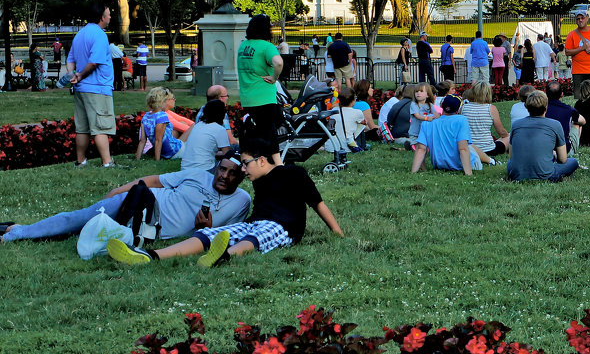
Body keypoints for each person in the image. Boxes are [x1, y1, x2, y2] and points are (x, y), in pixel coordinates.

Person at [107, 138, 343, 267]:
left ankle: (223, 258)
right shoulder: (258, 183)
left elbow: (317, 203)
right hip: (256, 222)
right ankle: (151, 256)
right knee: (213, 234)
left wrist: (337, 232)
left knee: (259, 236)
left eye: (245, 163)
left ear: (261, 161)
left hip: (284, 227)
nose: (242, 169)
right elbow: (257, 215)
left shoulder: (293, 173)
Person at [2, 152, 251, 245]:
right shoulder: (198, 175)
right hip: (139, 202)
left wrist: (206, 230)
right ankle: (16, 233)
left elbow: (228, 233)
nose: (223, 175)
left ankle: (15, 228)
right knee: (79, 219)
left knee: (85, 232)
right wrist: (116, 193)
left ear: (241, 178)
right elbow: (152, 181)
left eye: (231, 173)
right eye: (221, 169)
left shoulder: (241, 201)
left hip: (152, 230)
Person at [68, 2, 116, 168]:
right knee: (100, 127)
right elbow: (94, 62)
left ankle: (80, 161)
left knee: (82, 128)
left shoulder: (79, 35)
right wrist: (80, 75)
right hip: (97, 88)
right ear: (102, 17)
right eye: (108, 14)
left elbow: (70, 60)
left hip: (81, 89)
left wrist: (72, 76)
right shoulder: (100, 35)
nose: (110, 16)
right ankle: (107, 162)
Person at [236, 14, 284, 164]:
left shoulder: (244, 45)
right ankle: (277, 163)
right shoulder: (266, 46)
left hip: (247, 97)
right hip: (264, 97)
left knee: (256, 130)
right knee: (270, 131)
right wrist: (274, 77)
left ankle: (254, 159)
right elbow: (278, 62)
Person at [506, 89, 579, 182]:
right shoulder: (555, 124)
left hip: (517, 174)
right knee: (573, 162)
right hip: (547, 175)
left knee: (509, 163)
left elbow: (512, 156)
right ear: (546, 107)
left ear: (526, 106)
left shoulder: (516, 124)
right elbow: (563, 159)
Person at [411, 94, 479, 174]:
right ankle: (491, 161)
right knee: (470, 147)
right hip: (461, 165)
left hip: (440, 165)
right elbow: (463, 149)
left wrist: (414, 172)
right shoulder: (461, 120)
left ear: (441, 105)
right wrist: (469, 174)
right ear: (459, 109)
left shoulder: (428, 120)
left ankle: (491, 160)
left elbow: (420, 149)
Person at [462, 80, 509, 165]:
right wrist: (507, 135)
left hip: (470, 148)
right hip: (488, 149)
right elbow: (501, 132)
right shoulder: (491, 108)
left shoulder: (463, 108)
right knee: (509, 136)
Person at [179, 99, 233, 172]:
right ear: (222, 114)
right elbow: (227, 154)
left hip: (184, 169)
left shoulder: (197, 125)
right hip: (205, 170)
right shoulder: (219, 129)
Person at [564, 11, 590, 93]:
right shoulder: (571, 34)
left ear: (587, 18)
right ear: (576, 21)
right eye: (578, 19)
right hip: (578, 71)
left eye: (582, 18)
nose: (580, 20)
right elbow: (567, 52)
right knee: (579, 95)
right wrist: (582, 48)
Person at [137, 87, 183, 161]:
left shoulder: (146, 117)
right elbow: (158, 140)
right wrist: (157, 160)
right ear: (163, 101)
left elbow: (142, 141)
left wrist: (137, 159)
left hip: (164, 152)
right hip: (174, 150)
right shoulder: (162, 116)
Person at [545, 79, 583, 153]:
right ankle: (574, 149)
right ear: (561, 94)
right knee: (577, 123)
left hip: (546, 147)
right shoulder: (568, 109)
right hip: (564, 150)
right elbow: (583, 121)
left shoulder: (542, 108)